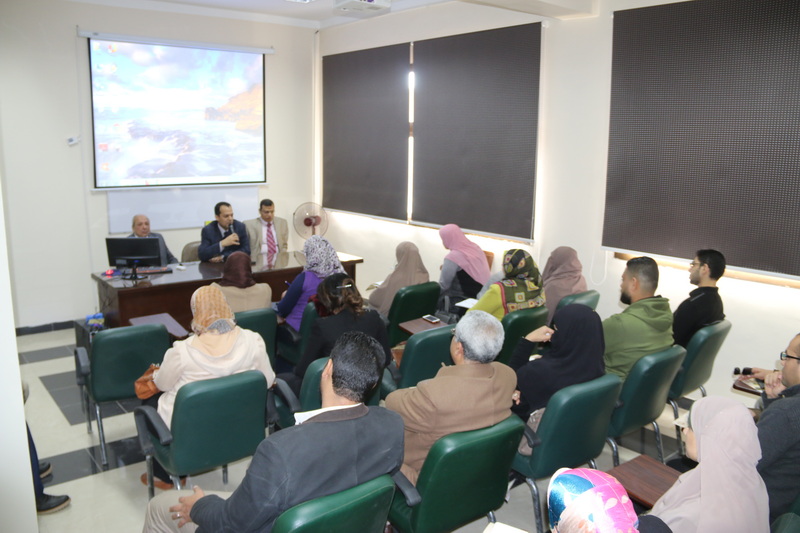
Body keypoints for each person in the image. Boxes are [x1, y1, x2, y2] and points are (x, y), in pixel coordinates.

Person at [142, 331, 404, 533]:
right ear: (373, 382)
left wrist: (200, 506)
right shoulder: (392, 425)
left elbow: (233, 523)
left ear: (328, 369)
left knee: (158, 507)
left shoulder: (279, 451)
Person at [143, 285, 275, 489]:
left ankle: (166, 476)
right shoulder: (253, 340)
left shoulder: (182, 351)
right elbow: (268, 380)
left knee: (149, 403)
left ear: (196, 312)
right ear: (227, 307)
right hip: (240, 426)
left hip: (192, 430)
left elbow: (161, 384)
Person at [385, 310, 516, 485]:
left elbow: (391, 402)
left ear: (458, 348)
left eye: (454, 334)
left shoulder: (434, 395)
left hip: (427, 477)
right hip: (477, 471)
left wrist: (416, 389)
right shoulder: (507, 375)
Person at [649, 396, 769, 532]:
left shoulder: (690, 516)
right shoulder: (755, 483)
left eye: (692, 427)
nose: (685, 430)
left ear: (709, 435)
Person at [282, 273, 391, 396]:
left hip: (332, 392)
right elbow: (386, 359)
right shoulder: (374, 318)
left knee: (281, 380)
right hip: (366, 389)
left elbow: (303, 371)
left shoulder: (323, 326)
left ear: (326, 301)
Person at [509, 304, 605, 420]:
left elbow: (508, 383)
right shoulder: (598, 366)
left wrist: (528, 340)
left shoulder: (538, 372)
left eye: (556, 329)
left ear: (566, 335)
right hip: (579, 427)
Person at [752, 334, 800, 522]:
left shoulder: (787, 412)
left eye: (787, 357)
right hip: (786, 503)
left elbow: (745, 461)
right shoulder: (787, 411)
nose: (782, 363)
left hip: (758, 509)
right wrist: (773, 400)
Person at [603, 256, 672, 380]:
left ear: (634, 283)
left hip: (611, 387)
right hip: (646, 388)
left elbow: (580, 346)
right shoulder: (665, 315)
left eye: (623, 280)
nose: (621, 285)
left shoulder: (620, 324)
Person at [274, 235, 344, 331]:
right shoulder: (341, 277)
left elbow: (283, 310)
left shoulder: (304, 278)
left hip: (297, 331)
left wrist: (286, 296)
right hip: (328, 331)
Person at [469, 248, 544, 320]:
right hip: (527, 329)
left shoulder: (499, 289)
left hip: (494, 327)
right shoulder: (538, 287)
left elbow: (471, 316)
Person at [672, 249, 725, 348]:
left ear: (704, 268)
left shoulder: (691, 305)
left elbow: (669, 339)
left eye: (693, 264)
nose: (690, 269)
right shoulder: (717, 302)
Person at [437, 224, 491, 316]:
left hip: (461, 301)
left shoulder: (453, 257)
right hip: (482, 297)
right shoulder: (475, 247)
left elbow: (443, 285)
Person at [368, 241, 429, 317]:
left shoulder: (396, 277)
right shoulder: (425, 275)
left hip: (394, 319)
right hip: (416, 318)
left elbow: (374, 299)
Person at [541, 246, 588, 324]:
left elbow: (543, 315)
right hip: (573, 325)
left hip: (550, 328)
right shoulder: (581, 279)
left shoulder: (554, 286)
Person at [244, 199, 289, 267]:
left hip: (278, 261)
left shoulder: (282, 223)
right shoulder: (249, 225)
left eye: (272, 211)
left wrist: (283, 257)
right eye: (266, 212)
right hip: (258, 262)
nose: (270, 215)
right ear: (260, 211)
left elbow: (284, 244)